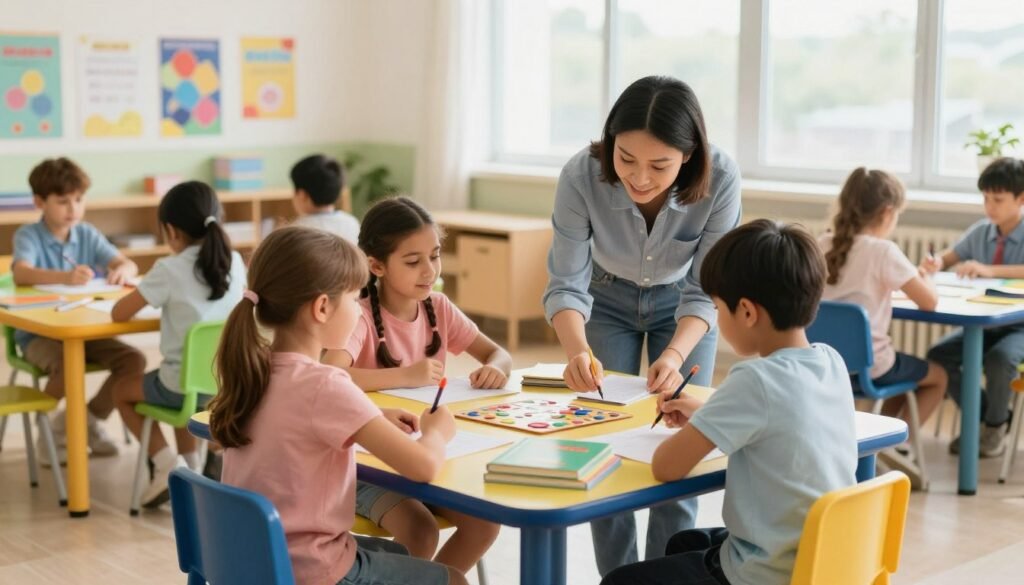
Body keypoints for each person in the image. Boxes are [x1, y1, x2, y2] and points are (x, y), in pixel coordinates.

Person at [543, 75, 741, 574]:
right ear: (610, 142)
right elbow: (566, 282)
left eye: (660, 164)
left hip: (687, 303)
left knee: (677, 443)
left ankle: (664, 576)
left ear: (690, 154)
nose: (640, 178)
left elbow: (706, 288)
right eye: (625, 158)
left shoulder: (721, 177)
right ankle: (619, 579)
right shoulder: (580, 175)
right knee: (603, 442)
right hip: (605, 297)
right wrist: (575, 352)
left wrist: (674, 354)